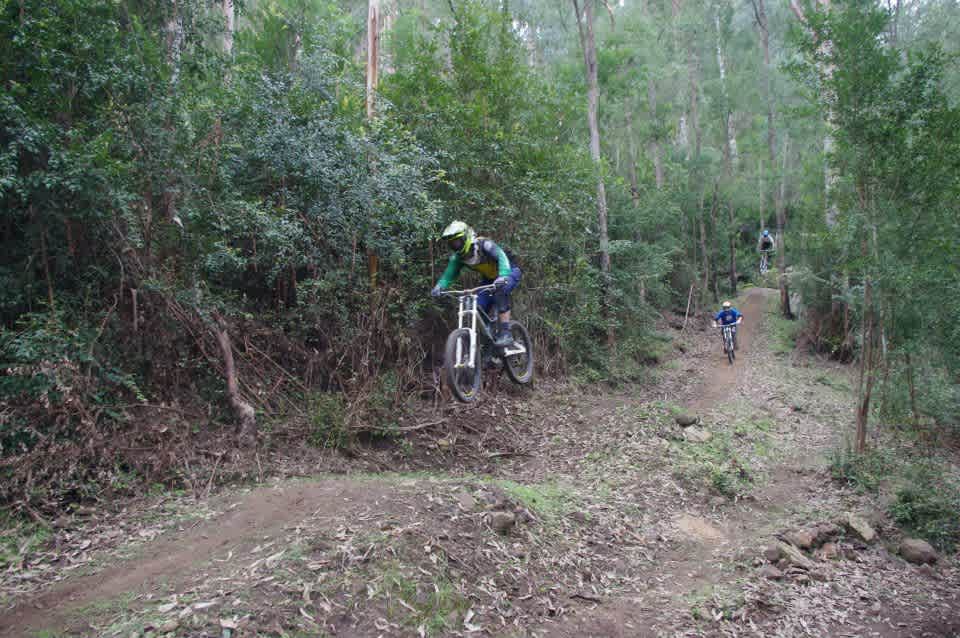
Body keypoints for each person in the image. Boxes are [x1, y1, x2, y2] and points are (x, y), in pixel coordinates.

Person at [431, 221, 522, 347]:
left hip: (509, 272)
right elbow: (449, 274)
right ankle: (488, 343)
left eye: (457, 241)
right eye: (452, 244)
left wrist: (503, 275)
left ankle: (506, 333)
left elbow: (501, 256)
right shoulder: (458, 257)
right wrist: (439, 286)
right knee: (477, 307)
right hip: (490, 280)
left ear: (466, 236)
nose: (455, 246)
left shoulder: (483, 244)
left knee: (500, 292)